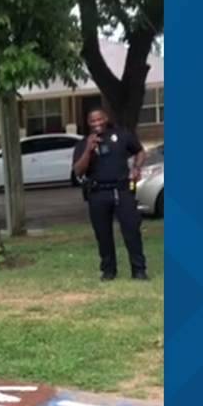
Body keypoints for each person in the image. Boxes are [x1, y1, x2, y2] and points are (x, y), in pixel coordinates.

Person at [72, 109, 148, 281]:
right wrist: (88, 150)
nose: (96, 123)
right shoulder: (83, 143)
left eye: (99, 119)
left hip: (122, 190)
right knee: (103, 234)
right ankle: (108, 270)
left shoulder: (121, 136)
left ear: (106, 119)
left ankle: (139, 270)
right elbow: (78, 170)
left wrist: (136, 168)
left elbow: (140, 151)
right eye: (92, 120)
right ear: (88, 123)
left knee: (132, 230)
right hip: (98, 193)